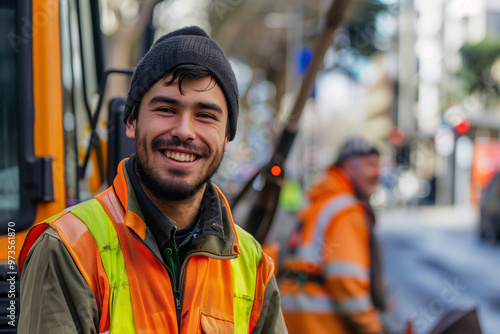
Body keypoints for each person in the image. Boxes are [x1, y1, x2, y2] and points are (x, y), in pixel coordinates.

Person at [18, 26, 287, 334]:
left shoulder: (254, 266)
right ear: (131, 121)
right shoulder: (68, 248)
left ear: (227, 137)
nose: (184, 130)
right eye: (166, 109)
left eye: (205, 115)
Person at [279, 137, 386, 334]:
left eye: (379, 166)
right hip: (324, 325)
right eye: (370, 165)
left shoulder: (317, 202)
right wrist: (373, 328)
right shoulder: (347, 210)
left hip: (294, 320)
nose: (377, 173)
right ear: (348, 166)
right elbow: (347, 282)